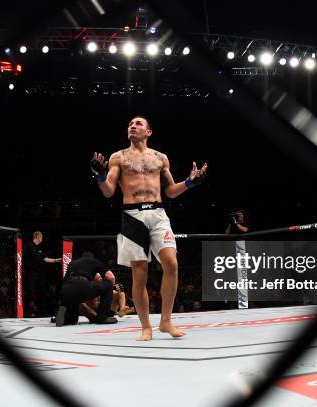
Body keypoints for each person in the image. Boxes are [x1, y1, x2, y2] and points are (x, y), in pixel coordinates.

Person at [91, 115, 207, 341]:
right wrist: (100, 175)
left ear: (148, 132)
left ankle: (166, 321)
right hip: (132, 216)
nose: (132, 126)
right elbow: (108, 191)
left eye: (138, 124)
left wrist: (191, 182)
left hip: (158, 213)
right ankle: (146, 327)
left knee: (171, 264)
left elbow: (171, 191)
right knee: (139, 275)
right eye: (129, 124)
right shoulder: (118, 157)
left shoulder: (160, 158)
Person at [56, 252, 118, 326]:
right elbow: (111, 277)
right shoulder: (93, 261)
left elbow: (64, 280)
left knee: (73, 319)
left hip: (66, 289)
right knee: (108, 284)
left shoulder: (72, 263)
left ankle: (65, 318)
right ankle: (102, 317)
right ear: (92, 257)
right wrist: (112, 287)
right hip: (82, 284)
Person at [23, 231, 62, 316]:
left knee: (41, 291)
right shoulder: (28, 245)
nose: (42, 239)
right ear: (38, 237)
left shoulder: (39, 248)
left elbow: (45, 259)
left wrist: (55, 260)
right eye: (41, 237)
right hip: (30, 273)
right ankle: (27, 312)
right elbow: (22, 257)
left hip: (39, 273)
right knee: (31, 292)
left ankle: (41, 312)